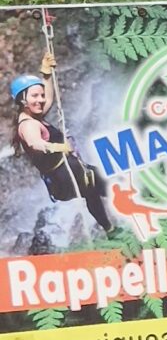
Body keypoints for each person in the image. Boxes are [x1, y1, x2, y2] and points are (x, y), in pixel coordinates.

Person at [9, 54, 114, 232]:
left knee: (95, 191)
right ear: (22, 100)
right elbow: (35, 143)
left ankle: (110, 228)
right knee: (108, 186)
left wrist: (46, 74)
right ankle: (128, 216)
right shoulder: (28, 125)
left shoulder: (34, 116)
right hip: (64, 176)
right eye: (35, 96)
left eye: (40, 95)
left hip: (66, 175)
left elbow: (48, 100)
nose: (40, 100)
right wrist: (58, 147)